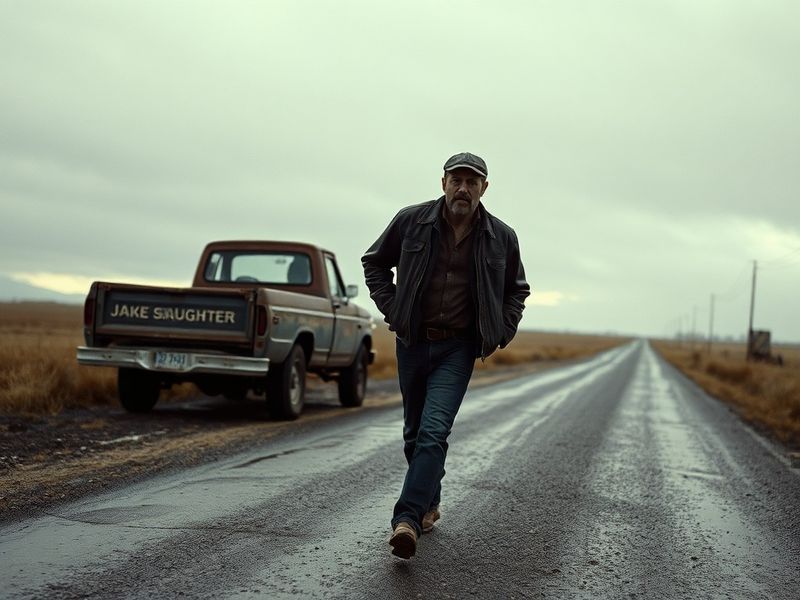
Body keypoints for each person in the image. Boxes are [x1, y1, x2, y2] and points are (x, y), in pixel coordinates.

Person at [361, 152, 530, 559]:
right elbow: (374, 264)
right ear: (443, 183)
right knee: (414, 433)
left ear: (484, 188)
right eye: (457, 180)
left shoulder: (501, 237)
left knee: (434, 430)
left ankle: (406, 519)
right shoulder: (411, 221)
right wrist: (394, 309)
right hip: (413, 342)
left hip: (458, 346)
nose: (463, 188)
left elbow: (517, 290)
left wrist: (500, 332)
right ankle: (429, 501)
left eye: (472, 182)